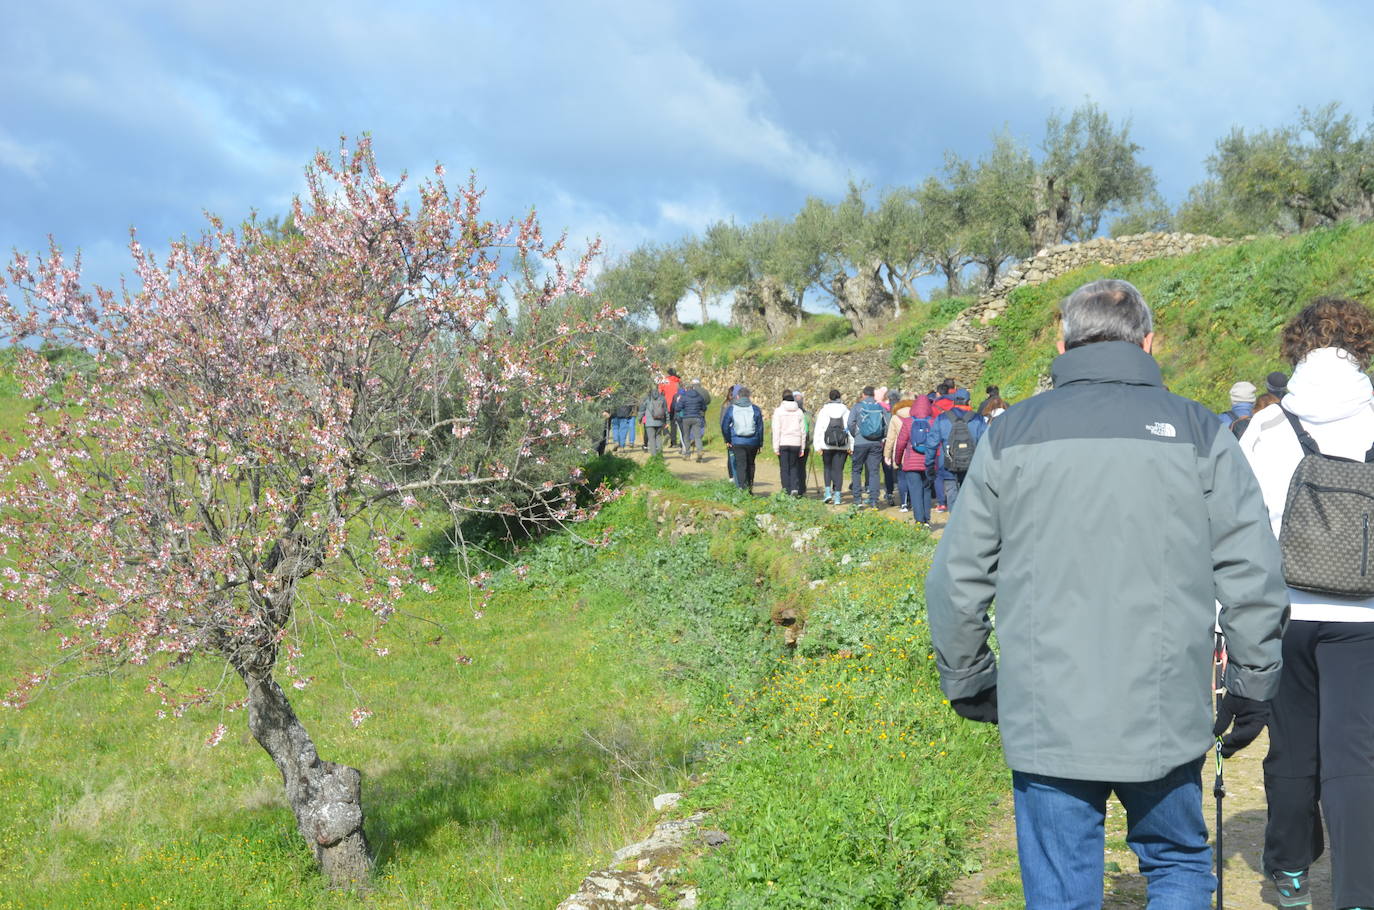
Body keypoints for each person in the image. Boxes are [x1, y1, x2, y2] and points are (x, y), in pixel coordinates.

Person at [926, 278, 1288, 909]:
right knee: (1177, 863)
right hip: (1166, 704)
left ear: (1061, 342)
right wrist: (1254, 680)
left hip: (1048, 707)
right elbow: (1251, 570)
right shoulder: (1201, 432)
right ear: (1150, 341)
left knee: (1062, 887)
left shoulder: (1010, 434)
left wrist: (969, 676)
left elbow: (959, 576)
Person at [1238, 296, 1374, 910]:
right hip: (1366, 616)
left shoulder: (1268, 426)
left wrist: (1226, 623)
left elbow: (1239, 531)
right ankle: (1356, 890)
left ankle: (1290, 871)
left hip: (1284, 609)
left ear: (1295, 347)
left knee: (1290, 743)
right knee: (1356, 753)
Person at [935, 389, 985, 514]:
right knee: (969, 495)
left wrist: (929, 464)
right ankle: (968, 524)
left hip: (948, 464)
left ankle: (954, 523)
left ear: (954, 401)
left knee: (952, 493)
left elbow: (931, 444)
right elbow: (986, 442)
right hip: (971, 464)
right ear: (969, 402)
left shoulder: (942, 419)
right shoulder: (978, 419)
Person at [892, 397, 936, 524]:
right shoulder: (933, 422)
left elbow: (901, 443)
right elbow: (936, 444)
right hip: (928, 462)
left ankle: (919, 520)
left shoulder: (908, 422)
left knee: (915, 491)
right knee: (926, 491)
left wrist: (898, 460)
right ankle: (927, 520)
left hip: (911, 463)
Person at [847, 385, 888, 509]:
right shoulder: (880, 407)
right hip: (876, 443)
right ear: (874, 395)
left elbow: (850, 423)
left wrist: (856, 435)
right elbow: (887, 424)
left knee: (856, 470)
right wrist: (880, 436)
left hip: (860, 442)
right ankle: (874, 500)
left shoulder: (857, 407)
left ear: (864, 395)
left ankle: (857, 499)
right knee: (874, 471)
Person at [721, 386, 764, 493]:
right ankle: (749, 488)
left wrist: (728, 440)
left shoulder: (732, 409)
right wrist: (760, 443)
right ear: (749, 397)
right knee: (751, 464)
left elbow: (725, 425)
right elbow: (760, 428)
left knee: (740, 464)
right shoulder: (755, 409)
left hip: (737, 441)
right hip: (753, 442)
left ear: (738, 396)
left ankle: (741, 487)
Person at [813, 389, 850, 505]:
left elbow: (819, 428)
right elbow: (851, 429)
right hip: (842, 445)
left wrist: (817, 445)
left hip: (826, 445)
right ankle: (838, 496)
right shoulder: (846, 411)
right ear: (840, 397)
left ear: (830, 398)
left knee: (827, 468)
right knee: (838, 470)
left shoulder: (824, 411)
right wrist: (851, 446)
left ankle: (828, 492)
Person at [772, 390, 806, 496]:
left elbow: (776, 430)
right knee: (794, 466)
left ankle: (786, 489)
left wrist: (775, 447)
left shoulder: (778, 411)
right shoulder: (799, 412)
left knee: (784, 468)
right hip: (796, 442)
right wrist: (802, 447)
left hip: (783, 442)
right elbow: (803, 431)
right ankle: (794, 488)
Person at [674, 378, 711, 461]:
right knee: (697, 437)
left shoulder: (684, 397)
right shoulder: (699, 396)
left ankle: (687, 455)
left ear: (686, 389)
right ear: (693, 388)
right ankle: (699, 452)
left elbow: (677, 408)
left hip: (686, 418)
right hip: (697, 418)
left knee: (686, 436)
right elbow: (704, 407)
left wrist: (681, 409)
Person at [640, 385, 668, 456]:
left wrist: (639, 419)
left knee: (651, 438)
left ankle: (654, 456)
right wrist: (667, 421)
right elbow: (666, 411)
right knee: (658, 437)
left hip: (649, 422)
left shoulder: (647, 398)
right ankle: (659, 454)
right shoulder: (662, 398)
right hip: (659, 422)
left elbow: (642, 410)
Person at [794, 392, 813, 496]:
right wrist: (809, 443)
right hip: (804, 445)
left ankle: (794, 487)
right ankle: (802, 488)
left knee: (793, 466)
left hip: (792, 443)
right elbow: (811, 431)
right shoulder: (807, 415)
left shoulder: (791, 414)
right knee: (802, 467)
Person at [659, 369, 683, 448]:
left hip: (666, 405)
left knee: (663, 421)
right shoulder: (678, 381)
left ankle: (666, 433)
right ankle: (674, 443)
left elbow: (659, 392)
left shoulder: (664, 381)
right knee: (674, 424)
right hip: (676, 405)